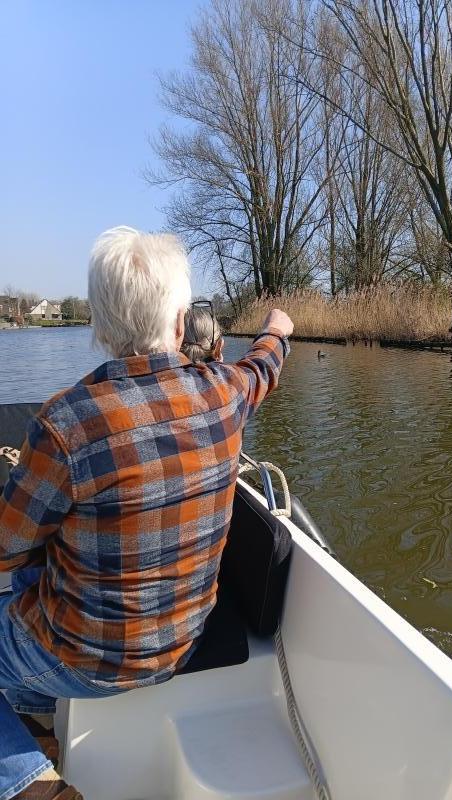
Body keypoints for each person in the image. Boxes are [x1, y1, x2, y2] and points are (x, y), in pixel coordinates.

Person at [0, 226, 293, 800]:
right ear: (182, 325)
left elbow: (7, 547)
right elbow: (264, 367)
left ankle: (27, 781)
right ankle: (37, 715)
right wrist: (275, 332)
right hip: (186, 639)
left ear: (100, 328)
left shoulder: (65, 425)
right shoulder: (225, 393)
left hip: (90, 660)